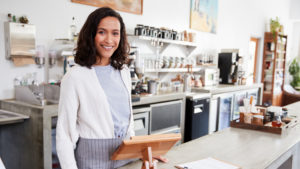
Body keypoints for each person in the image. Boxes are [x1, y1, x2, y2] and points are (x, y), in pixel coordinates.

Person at [56, 7, 134, 169]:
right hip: (91, 160)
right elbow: (64, 134)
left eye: (115, 33)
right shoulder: (75, 76)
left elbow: (128, 123)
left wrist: (143, 152)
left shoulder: (124, 72)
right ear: (91, 34)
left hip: (125, 157)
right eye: (102, 32)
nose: (109, 40)